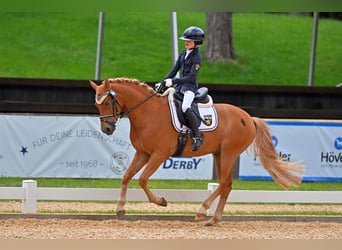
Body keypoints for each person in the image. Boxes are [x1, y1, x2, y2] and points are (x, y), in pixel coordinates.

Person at [157, 26, 205, 151]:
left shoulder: (197, 58)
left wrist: (173, 81)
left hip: (190, 87)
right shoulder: (183, 53)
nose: (186, 42)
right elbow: (174, 70)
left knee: (185, 107)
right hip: (180, 86)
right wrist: (162, 82)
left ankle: (197, 136)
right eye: (185, 40)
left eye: (189, 40)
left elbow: (190, 77)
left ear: (197, 43)